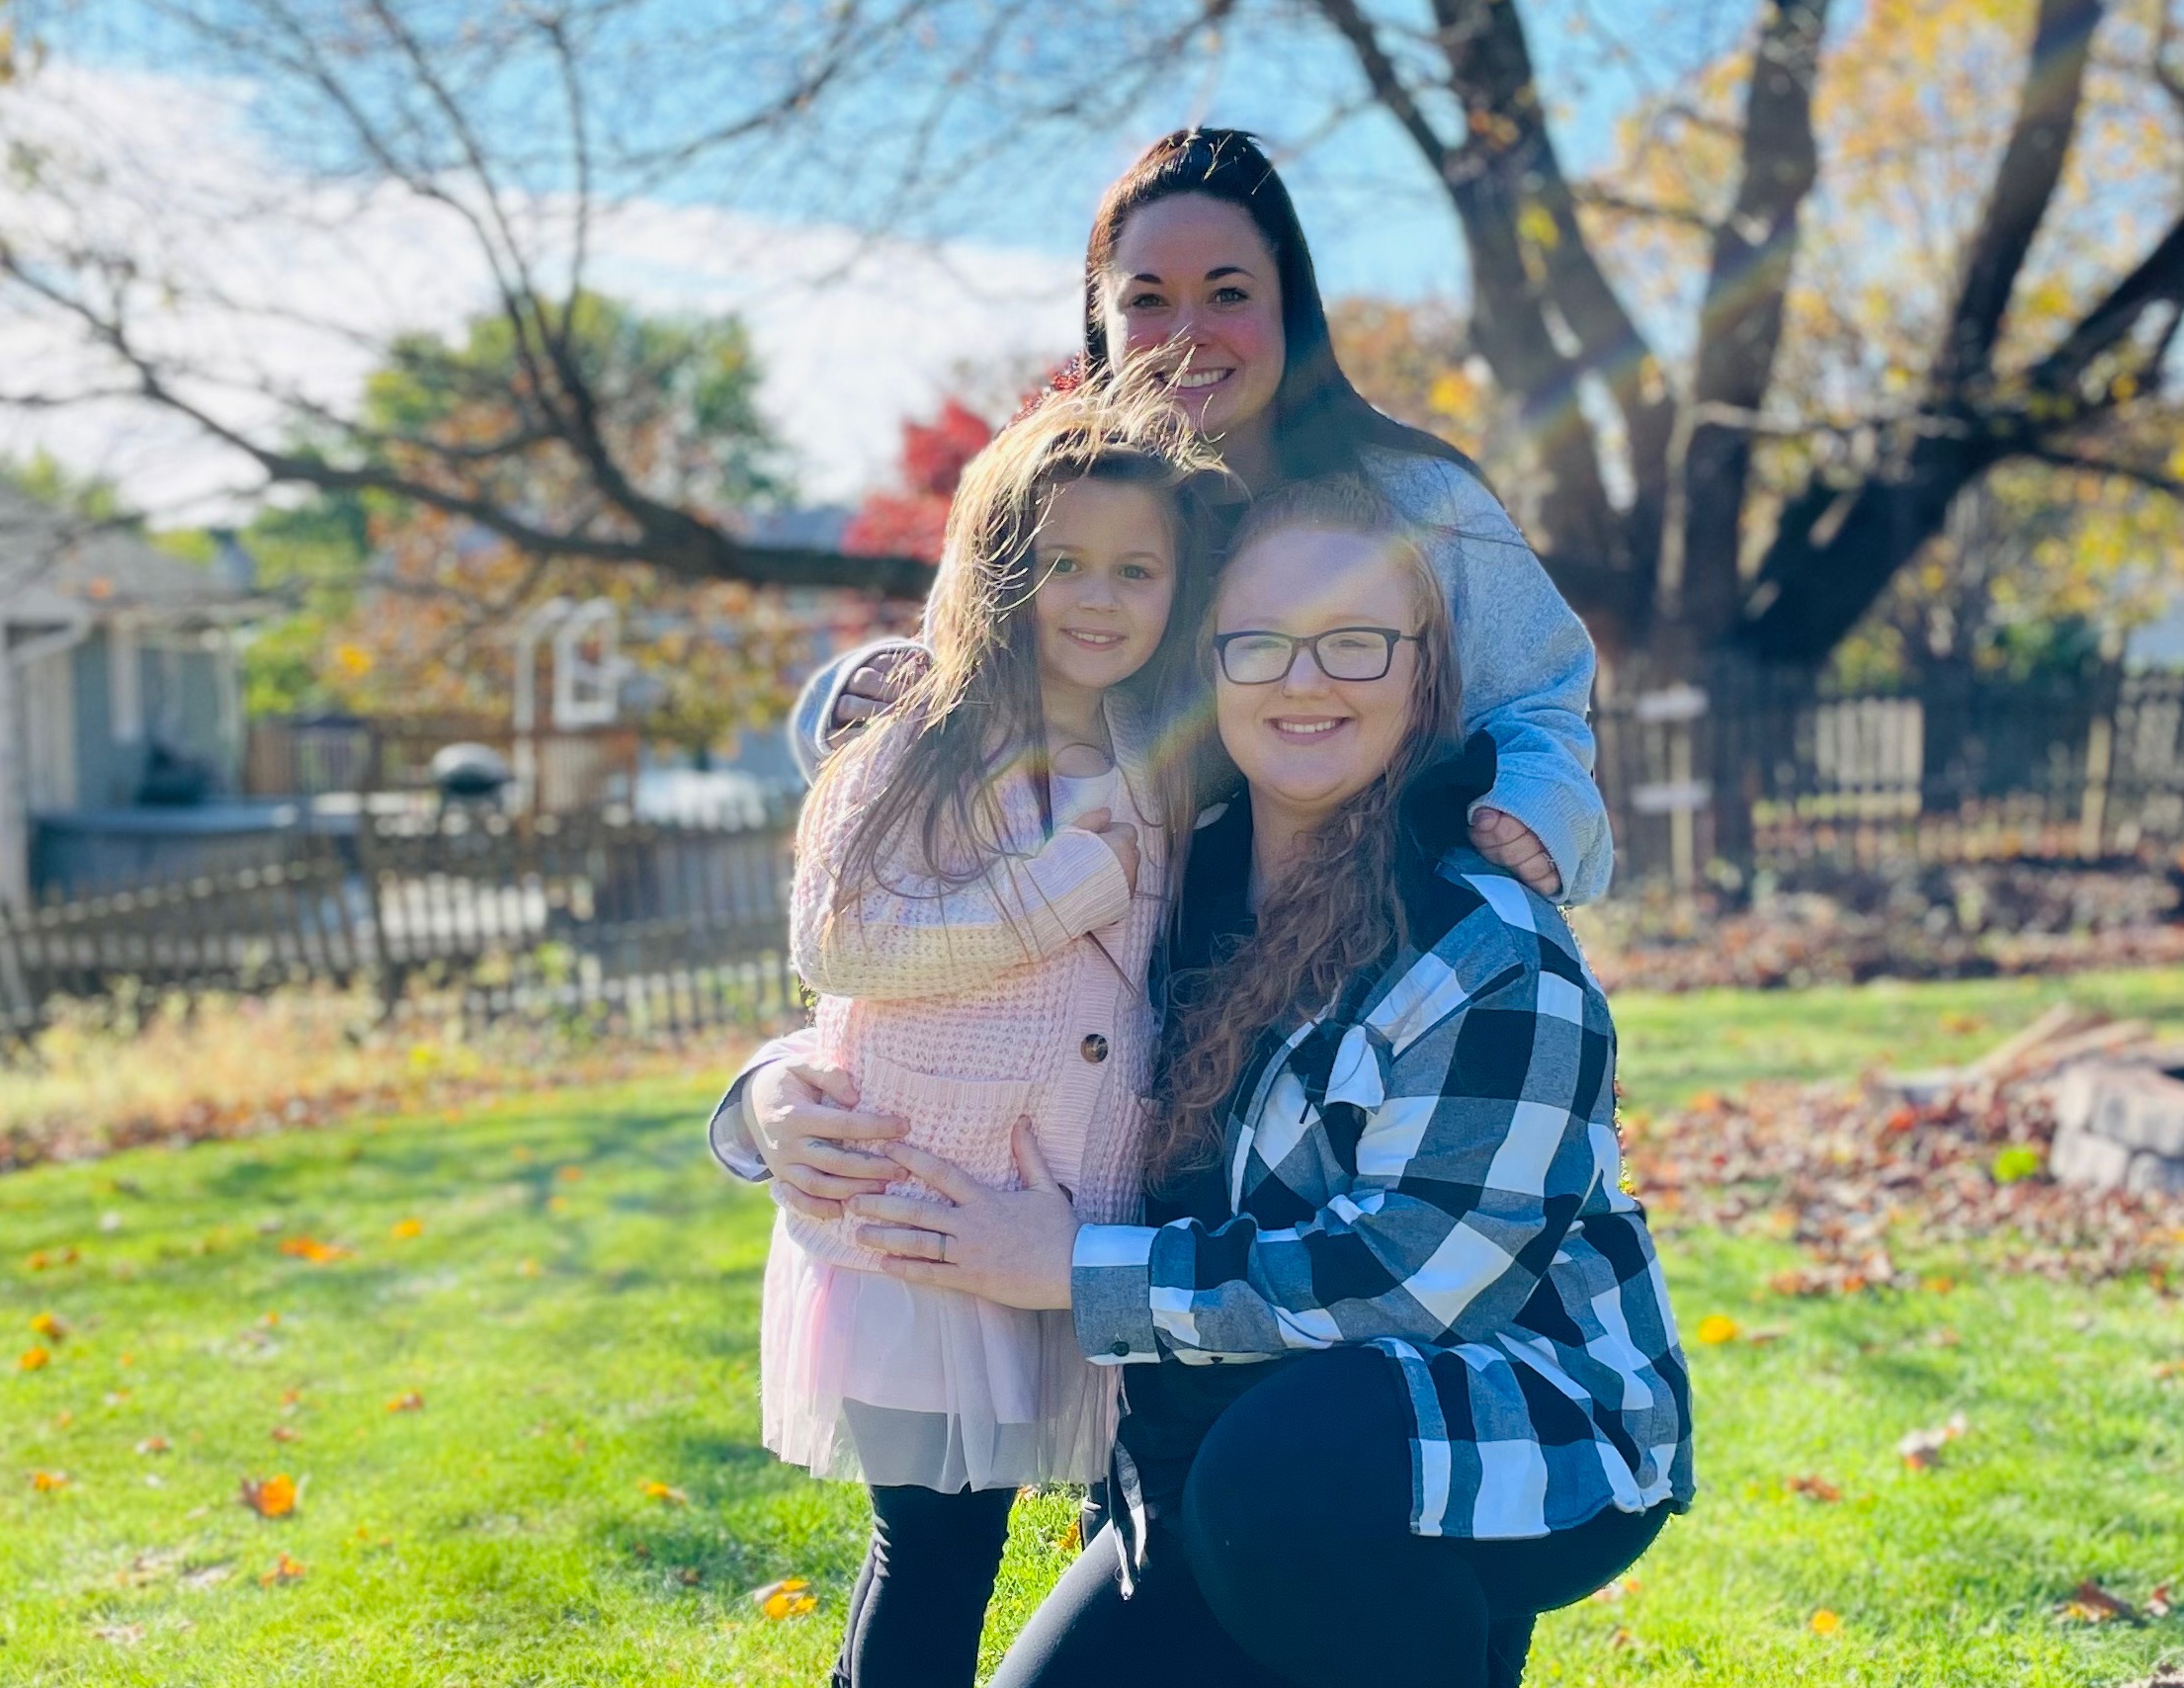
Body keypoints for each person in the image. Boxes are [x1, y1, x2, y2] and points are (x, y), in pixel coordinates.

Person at [847, 476, 1693, 1687]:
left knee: (1288, 1475)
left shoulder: (1488, 946)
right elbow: (963, 996)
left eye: (1355, 641)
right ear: (1209, 669)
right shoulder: (1159, 879)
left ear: (1425, 673)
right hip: (1223, 1449)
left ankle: (1443, 1637)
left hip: (1521, 1413)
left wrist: (1073, 1268)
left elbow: (1411, 1279)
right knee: (1239, 1500)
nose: (1305, 680)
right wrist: (774, 1103)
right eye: (1261, 642)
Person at [722, 123, 1614, 1266]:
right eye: (1147, 299)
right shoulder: (1066, 509)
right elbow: (925, 854)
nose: (1188, 334)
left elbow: (1543, 694)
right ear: (1099, 320)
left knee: (1300, 1306)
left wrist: (1539, 806)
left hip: (1372, 974)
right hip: (1146, 1008)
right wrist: (774, 1089)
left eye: (1229, 292)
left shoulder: (1417, 501)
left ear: (1292, 307)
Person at [764, 380, 1228, 1688]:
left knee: (1062, 1525)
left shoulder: (1159, 751)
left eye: (1134, 569)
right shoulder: (921, 745)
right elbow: (838, 941)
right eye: (1061, 563)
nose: (1096, 598)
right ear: (997, 568)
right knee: (934, 1545)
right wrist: (1057, 888)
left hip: (1065, 1213)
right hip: (916, 1211)